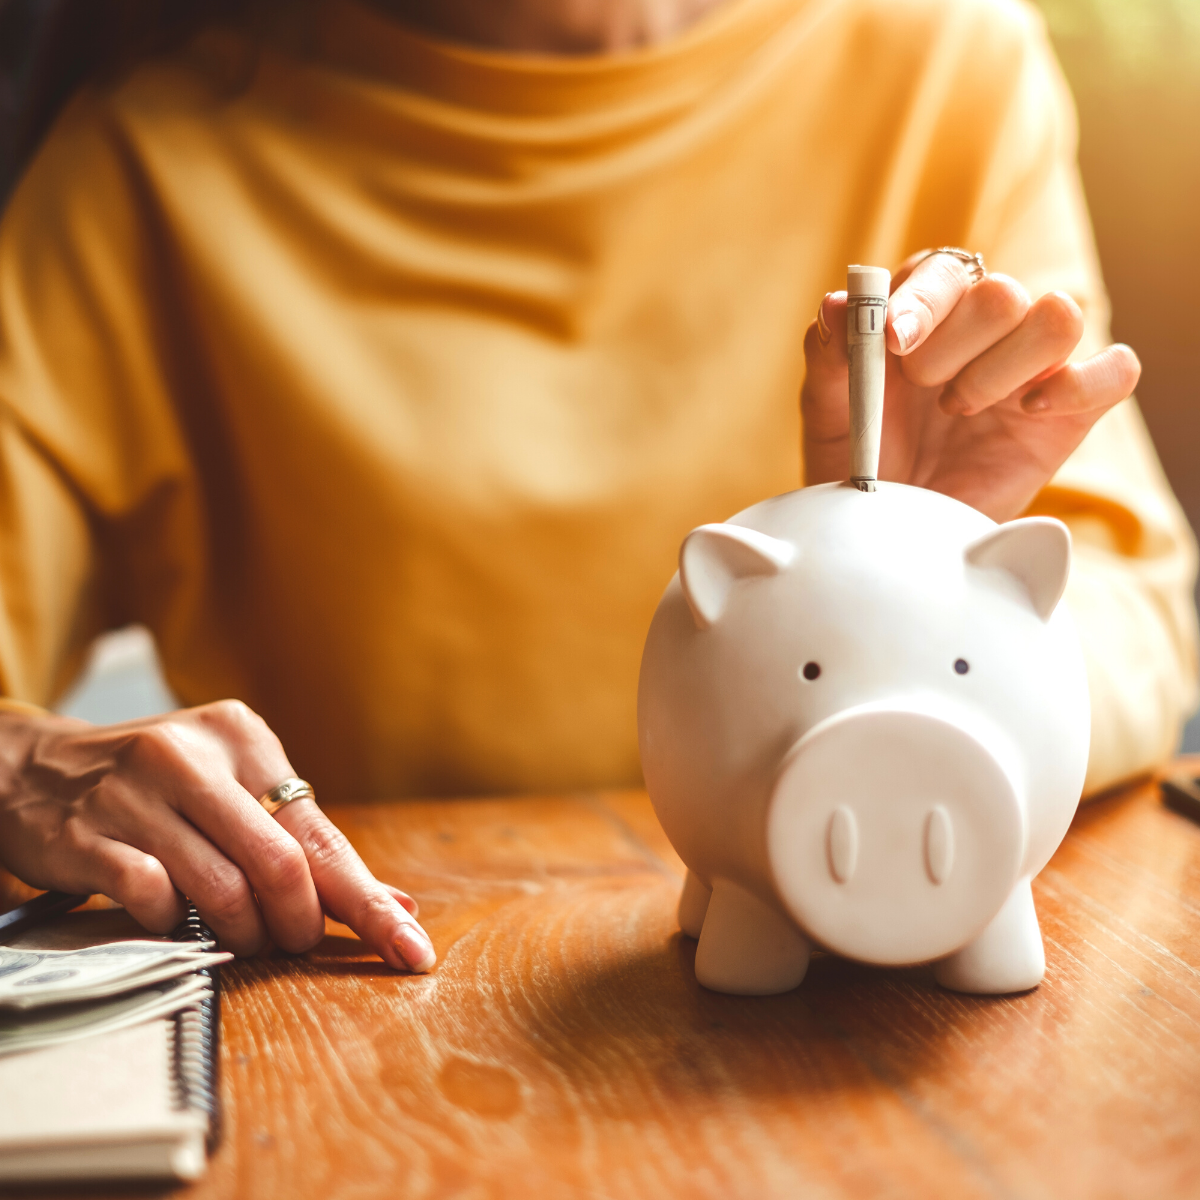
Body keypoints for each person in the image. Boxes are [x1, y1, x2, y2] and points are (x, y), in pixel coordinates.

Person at [0, 0, 1194, 972]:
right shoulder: (142, 170)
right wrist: (23, 764)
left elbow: (1139, 608)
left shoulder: (946, 62)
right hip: (391, 1004)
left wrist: (925, 601)